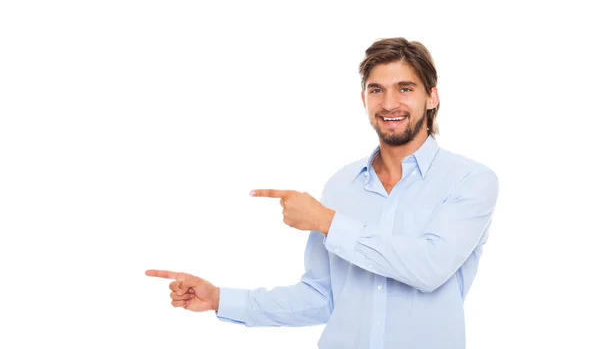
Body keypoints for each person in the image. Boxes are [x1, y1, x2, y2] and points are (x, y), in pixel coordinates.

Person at [146, 37, 499, 349]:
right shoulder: (341, 185)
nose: (389, 103)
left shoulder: (469, 180)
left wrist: (327, 222)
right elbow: (322, 296)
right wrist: (220, 300)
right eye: (377, 90)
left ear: (432, 97)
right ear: (364, 98)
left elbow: (430, 267)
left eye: (405, 89)